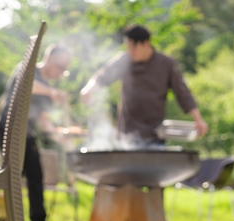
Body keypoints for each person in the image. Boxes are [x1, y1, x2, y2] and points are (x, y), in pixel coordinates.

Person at [80, 24, 208, 145]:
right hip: (126, 133)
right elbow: (102, 76)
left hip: (154, 133)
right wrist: (88, 90)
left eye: (133, 47)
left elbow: (183, 93)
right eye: (128, 46)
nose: (130, 51)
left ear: (145, 43)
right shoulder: (124, 60)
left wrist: (198, 120)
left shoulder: (166, 64)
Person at [0, 44, 71, 221]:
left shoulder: (48, 89)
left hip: (28, 131)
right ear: (50, 58)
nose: (61, 73)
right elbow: (25, 83)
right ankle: (12, 220)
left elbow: (43, 119)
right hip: (10, 127)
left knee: (36, 173)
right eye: (61, 68)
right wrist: (50, 91)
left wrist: (58, 136)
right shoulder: (27, 68)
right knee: (14, 174)